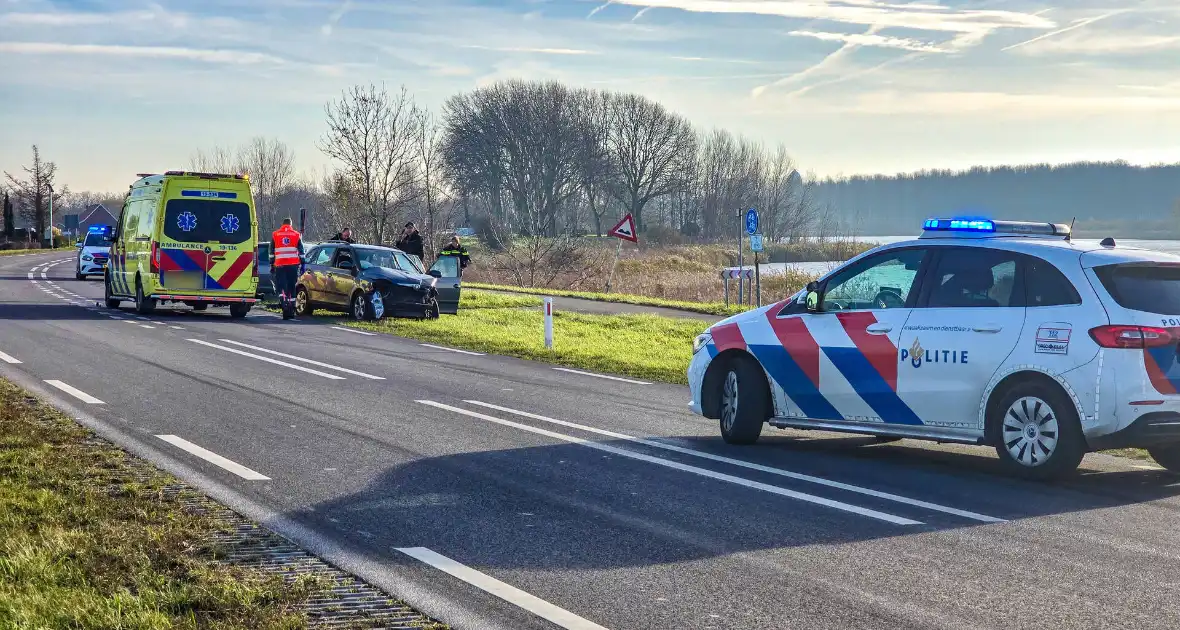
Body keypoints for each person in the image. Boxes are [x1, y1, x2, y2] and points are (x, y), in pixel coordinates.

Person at [271, 218, 305, 319]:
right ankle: (291, 309)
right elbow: (301, 251)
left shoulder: (275, 235)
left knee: (281, 285)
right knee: (291, 286)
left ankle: (283, 302)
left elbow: (271, 252)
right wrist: (303, 264)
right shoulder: (296, 235)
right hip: (293, 265)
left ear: (282, 224)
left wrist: (271, 264)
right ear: (290, 224)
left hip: (279, 265)